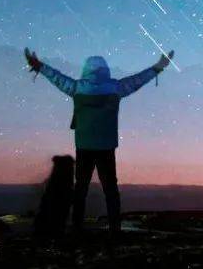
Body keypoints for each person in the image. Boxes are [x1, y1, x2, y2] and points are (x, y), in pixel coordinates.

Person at [24, 46, 174, 237]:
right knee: (110, 188)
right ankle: (115, 226)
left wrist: (39, 66)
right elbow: (138, 80)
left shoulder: (77, 88)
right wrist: (158, 67)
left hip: (84, 145)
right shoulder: (116, 88)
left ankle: (77, 225)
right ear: (105, 70)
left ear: (86, 69)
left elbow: (57, 78)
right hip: (106, 146)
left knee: (80, 188)